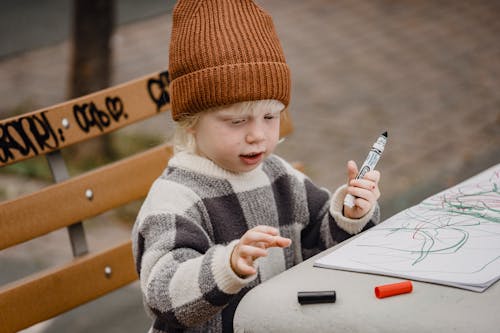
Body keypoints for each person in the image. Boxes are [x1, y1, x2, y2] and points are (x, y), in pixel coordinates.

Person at [131, 1, 381, 332]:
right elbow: (162, 294)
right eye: (236, 121)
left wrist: (349, 215)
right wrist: (227, 266)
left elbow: (320, 241)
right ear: (190, 122)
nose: (257, 135)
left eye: (270, 117)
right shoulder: (175, 199)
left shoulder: (279, 176)